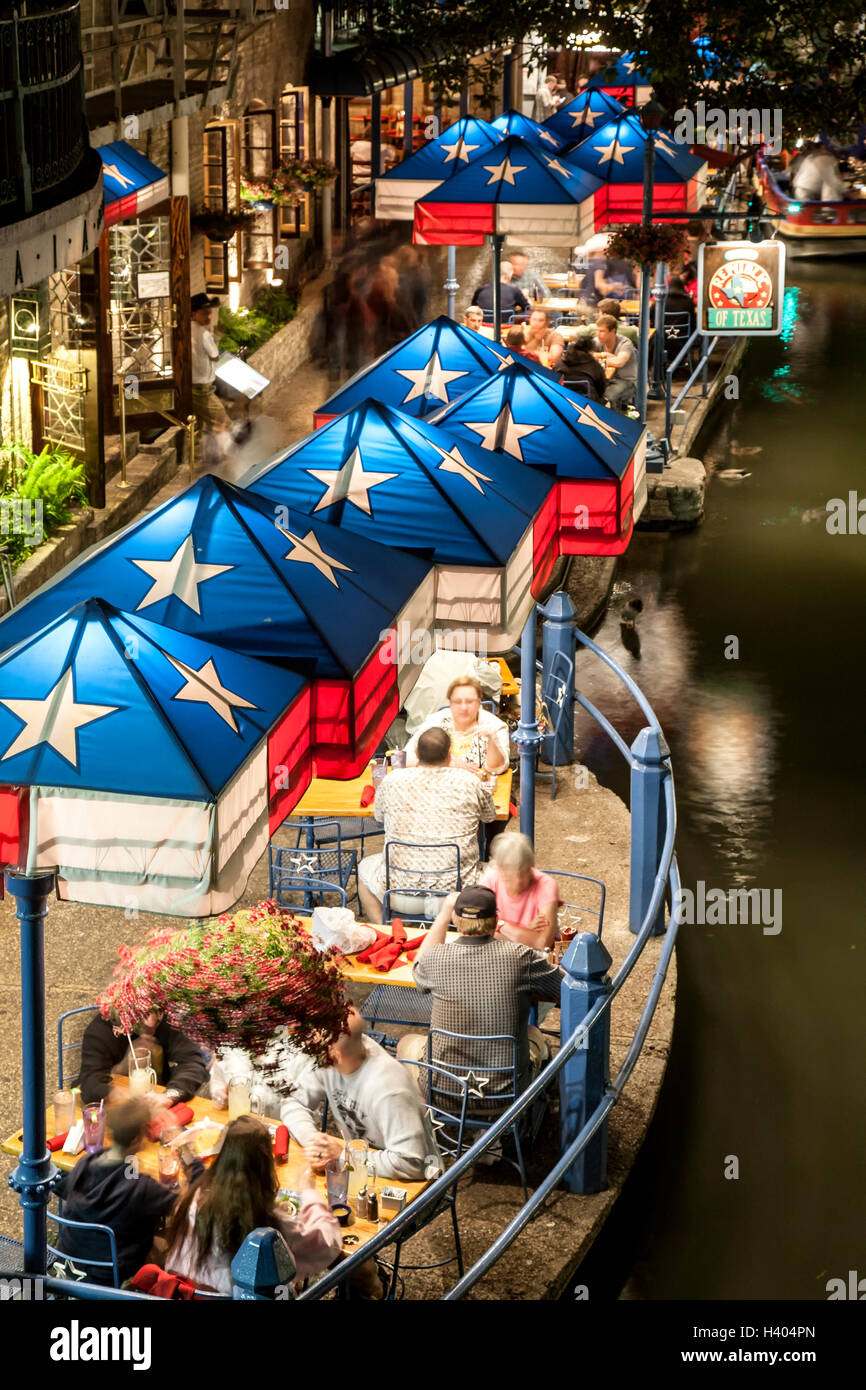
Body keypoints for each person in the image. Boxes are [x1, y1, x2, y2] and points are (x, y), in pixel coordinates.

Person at [397, 886, 563, 1105]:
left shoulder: (434, 958)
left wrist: (445, 912)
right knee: (535, 1035)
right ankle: (533, 1110)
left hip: (443, 1093)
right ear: (495, 921)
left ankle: (429, 1119)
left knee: (405, 1042)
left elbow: (418, 966)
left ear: (455, 920)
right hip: (506, 1096)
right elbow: (565, 986)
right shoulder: (520, 957)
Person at [164, 1115, 341, 1294]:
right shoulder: (269, 1229)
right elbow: (327, 1244)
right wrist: (309, 1191)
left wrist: (187, 1151)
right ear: (266, 1164)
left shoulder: (193, 1199)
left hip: (188, 1294)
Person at [56, 1098, 203, 1286]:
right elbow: (192, 1201)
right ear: (136, 1139)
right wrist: (183, 1146)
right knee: (173, 1242)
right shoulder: (142, 1189)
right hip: (112, 1279)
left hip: (69, 1267)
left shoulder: (87, 1163)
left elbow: (124, 1172)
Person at [281, 1008, 440, 1181]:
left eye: (315, 1046)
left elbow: (411, 1164)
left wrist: (345, 1157)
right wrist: (314, 1142)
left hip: (414, 1184)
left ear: (337, 1054)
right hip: (361, 1169)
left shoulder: (389, 1088)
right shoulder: (337, 1051)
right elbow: (293, 1102)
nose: (310, 1051)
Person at [357, 726, 496, 924]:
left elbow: (379, 817)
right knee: (499, 874)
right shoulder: (468, 781)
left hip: (398, 892)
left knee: (364, 868)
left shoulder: (392, 780)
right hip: (459, 894)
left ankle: (385, 931)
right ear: (449, 756)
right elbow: (490, 816)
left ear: (415, 754)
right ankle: (476, 934)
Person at [79, 1006, 208, 1106]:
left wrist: (168, 1096)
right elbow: (89, 1084)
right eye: (140, 1013)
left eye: (157, 1011)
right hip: (116, 1114)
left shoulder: (170, 1020)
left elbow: (192, 1065)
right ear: (120, 1009)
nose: (151, 1023)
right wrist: (122, 1068)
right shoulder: (100, 1031)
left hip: (161, 1105)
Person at [405, 674, 510, 774]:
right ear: (450, 703)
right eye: (457, 702)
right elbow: (406, 757)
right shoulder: (436, 720)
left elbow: (498, 769)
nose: (464, 708)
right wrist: (448, 763)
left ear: (479, 702)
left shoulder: (495, 726)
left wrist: (492, 740)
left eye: (469, 702)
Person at [480, 833, 560, 950]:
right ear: (500, 869)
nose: (518, 881)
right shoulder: (490, 880)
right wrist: (526, 932)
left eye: (524, 873)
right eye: (510, 876)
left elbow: (543, 943)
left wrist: (500, 925)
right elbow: (479, 935)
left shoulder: (546, 885)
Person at [190, 292, 231, 463]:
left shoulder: (185, 330)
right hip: (202, 389)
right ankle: (227, 457)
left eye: (209, 312)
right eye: (204, 313)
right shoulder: (203, 334)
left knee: (195, 427)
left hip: (190, 385)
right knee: (222, 419)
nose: (209, 316)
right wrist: (218, 337)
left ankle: (195, 460)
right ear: (193, 314)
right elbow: (215, 356)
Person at [592, 313, 637, 411]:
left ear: (612, 331)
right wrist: (605, 355)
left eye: (602, 331)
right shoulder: (597, 341)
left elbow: (619, 362)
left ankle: (612, 422)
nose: (598, 334)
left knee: (607, 398)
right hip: (605, 380)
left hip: (626, 381)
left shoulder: (625, 343)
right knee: (587, 393)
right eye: (597, 330)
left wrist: (598, 358)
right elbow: (586, 355)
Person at [559, 338, 607, 402]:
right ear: (590, 351)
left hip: (562, 402)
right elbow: (602, 389)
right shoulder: (594, 365)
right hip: (589, 405)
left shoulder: (559, 363)